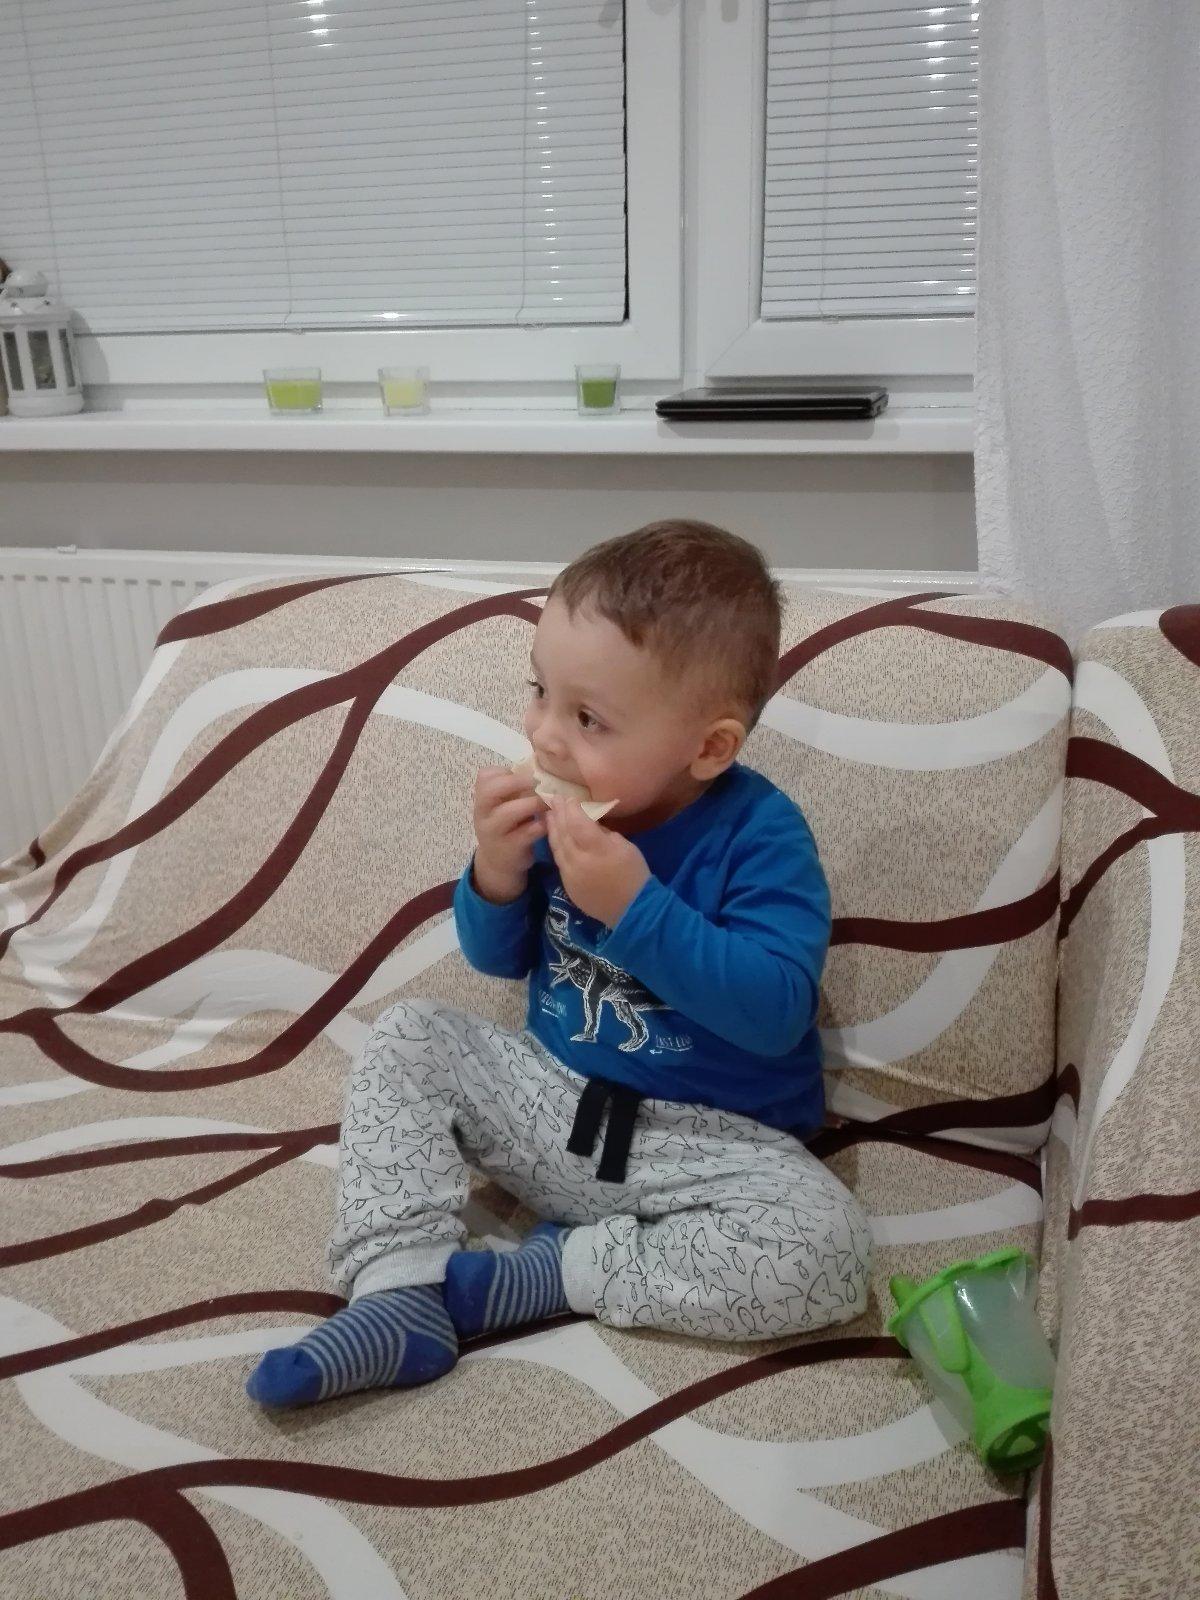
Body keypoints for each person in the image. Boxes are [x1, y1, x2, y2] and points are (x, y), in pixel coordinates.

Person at [246, 520, 871, 1407]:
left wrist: (635, 908)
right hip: (551, 1103)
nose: (544, 736)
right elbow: (497, 961)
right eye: (540, 692)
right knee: (410, 1035)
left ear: (708, 747)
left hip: (707, 1151)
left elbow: (774, 1014)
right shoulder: (555, 815)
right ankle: (398, 1292)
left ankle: (540, 1278)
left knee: (828, 1248)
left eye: (588, 719)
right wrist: (495, 874)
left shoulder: (761, 836)